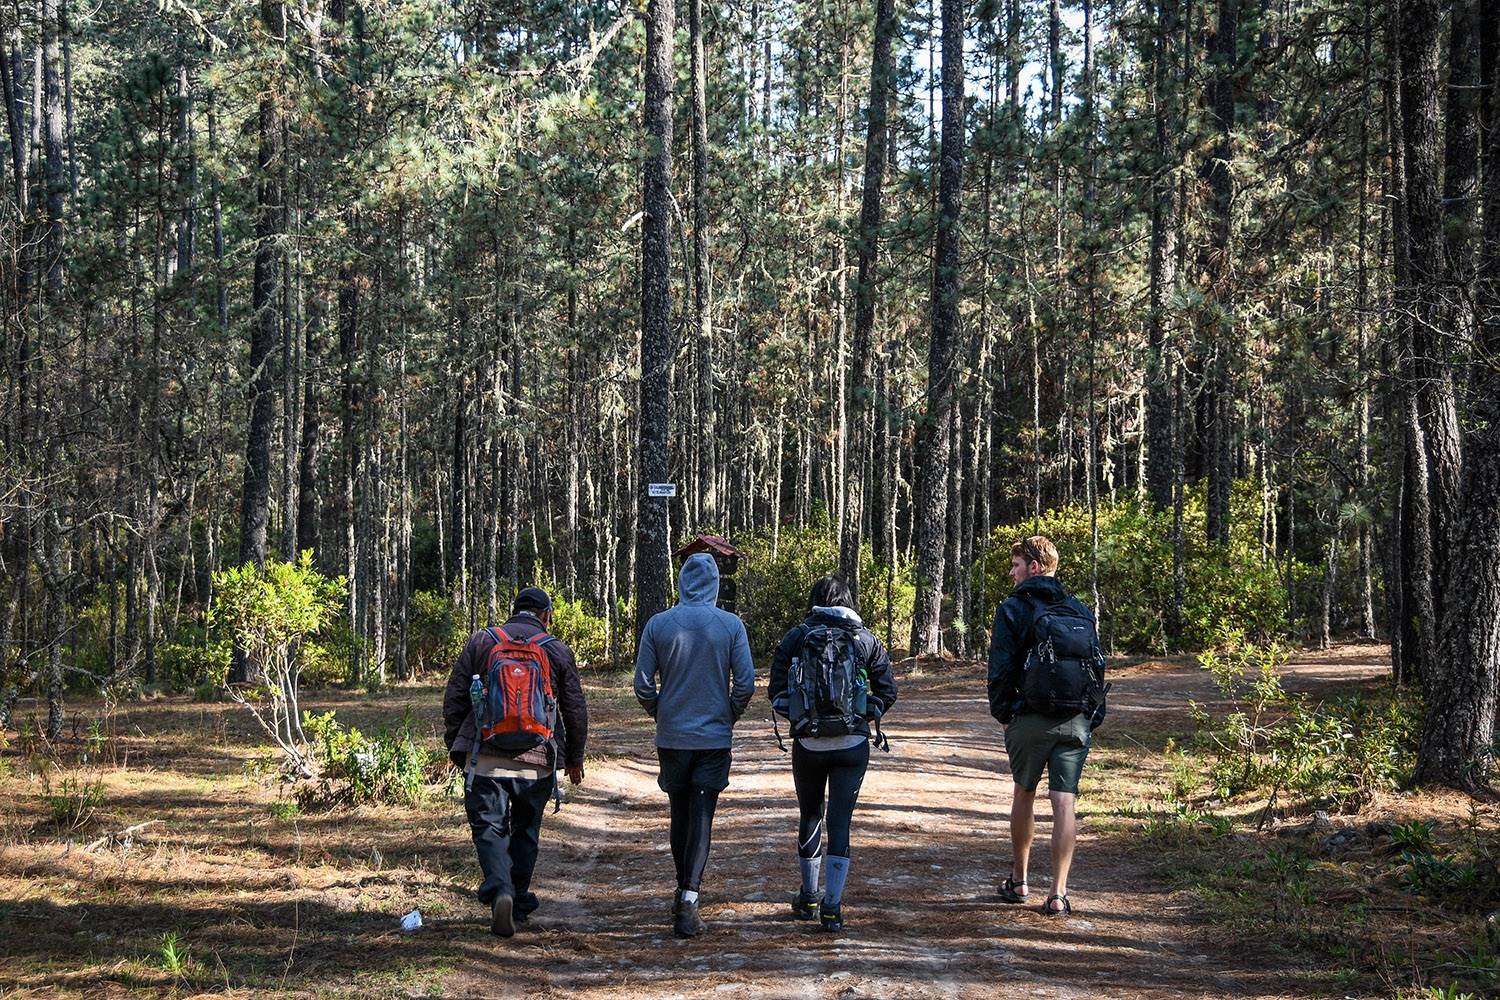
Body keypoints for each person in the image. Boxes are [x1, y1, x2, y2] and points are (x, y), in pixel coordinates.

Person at [443, 586, 588, 937]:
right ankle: (518, 900)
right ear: (546, 615)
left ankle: (501, 892)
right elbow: (575, 709)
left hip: (485, 756)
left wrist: (456, 746)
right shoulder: (556, 650)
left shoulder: (482, 641)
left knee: (489, 827)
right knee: (526, 829)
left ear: (514, 612)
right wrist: (573, 758)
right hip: (537, 760)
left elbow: (455, 697)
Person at [634, 552, 756, 938]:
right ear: (716, 583)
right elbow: (747, 684)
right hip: (713, 738)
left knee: (679, 812)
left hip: (672, 738)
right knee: (702, 814)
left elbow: (642, 684)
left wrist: (661, 712)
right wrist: (728, 714)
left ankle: (682, 890)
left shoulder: (659, 625)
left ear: (681, 582)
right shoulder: (731, 626)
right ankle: (688, 898)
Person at [769, 575, 897, 933]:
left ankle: (808, 895)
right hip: (852, 745)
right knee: (840, 822)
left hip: (808, 743)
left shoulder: (798, 636)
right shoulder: (865, 638)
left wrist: (802, 715)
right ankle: (832, 907)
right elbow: (888, 690)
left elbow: (776, 690)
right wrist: (866, 710)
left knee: (810, 814)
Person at [986, 535, 1106, 916]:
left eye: (1016, 565)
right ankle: (1058, 893)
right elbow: (1097, 666)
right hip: (1075, 720)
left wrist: (1004, 714)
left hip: (1030, 718)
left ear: (1034, 567)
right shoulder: (1080, 610)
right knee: (1064, 802)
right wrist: (1091, 716)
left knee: (1024, 793)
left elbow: (1001, 669)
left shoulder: (1013, 608)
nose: (1012, 573)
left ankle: (1019, 881)